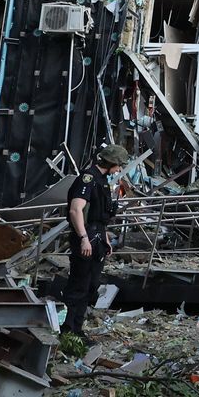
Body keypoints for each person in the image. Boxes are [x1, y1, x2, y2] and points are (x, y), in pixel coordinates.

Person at [64, 144, 130, 340]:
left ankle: (77, 328)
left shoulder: (101, 180)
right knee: (79, 285)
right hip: (86, 238)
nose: (119, 170)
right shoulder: (88, 179)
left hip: (98, 237)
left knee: (91, 286)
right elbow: (76, 210)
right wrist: (84, 239)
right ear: (111, 163)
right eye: (118, 165)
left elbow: (100, 217)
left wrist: (106, 239)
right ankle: (68, 329)